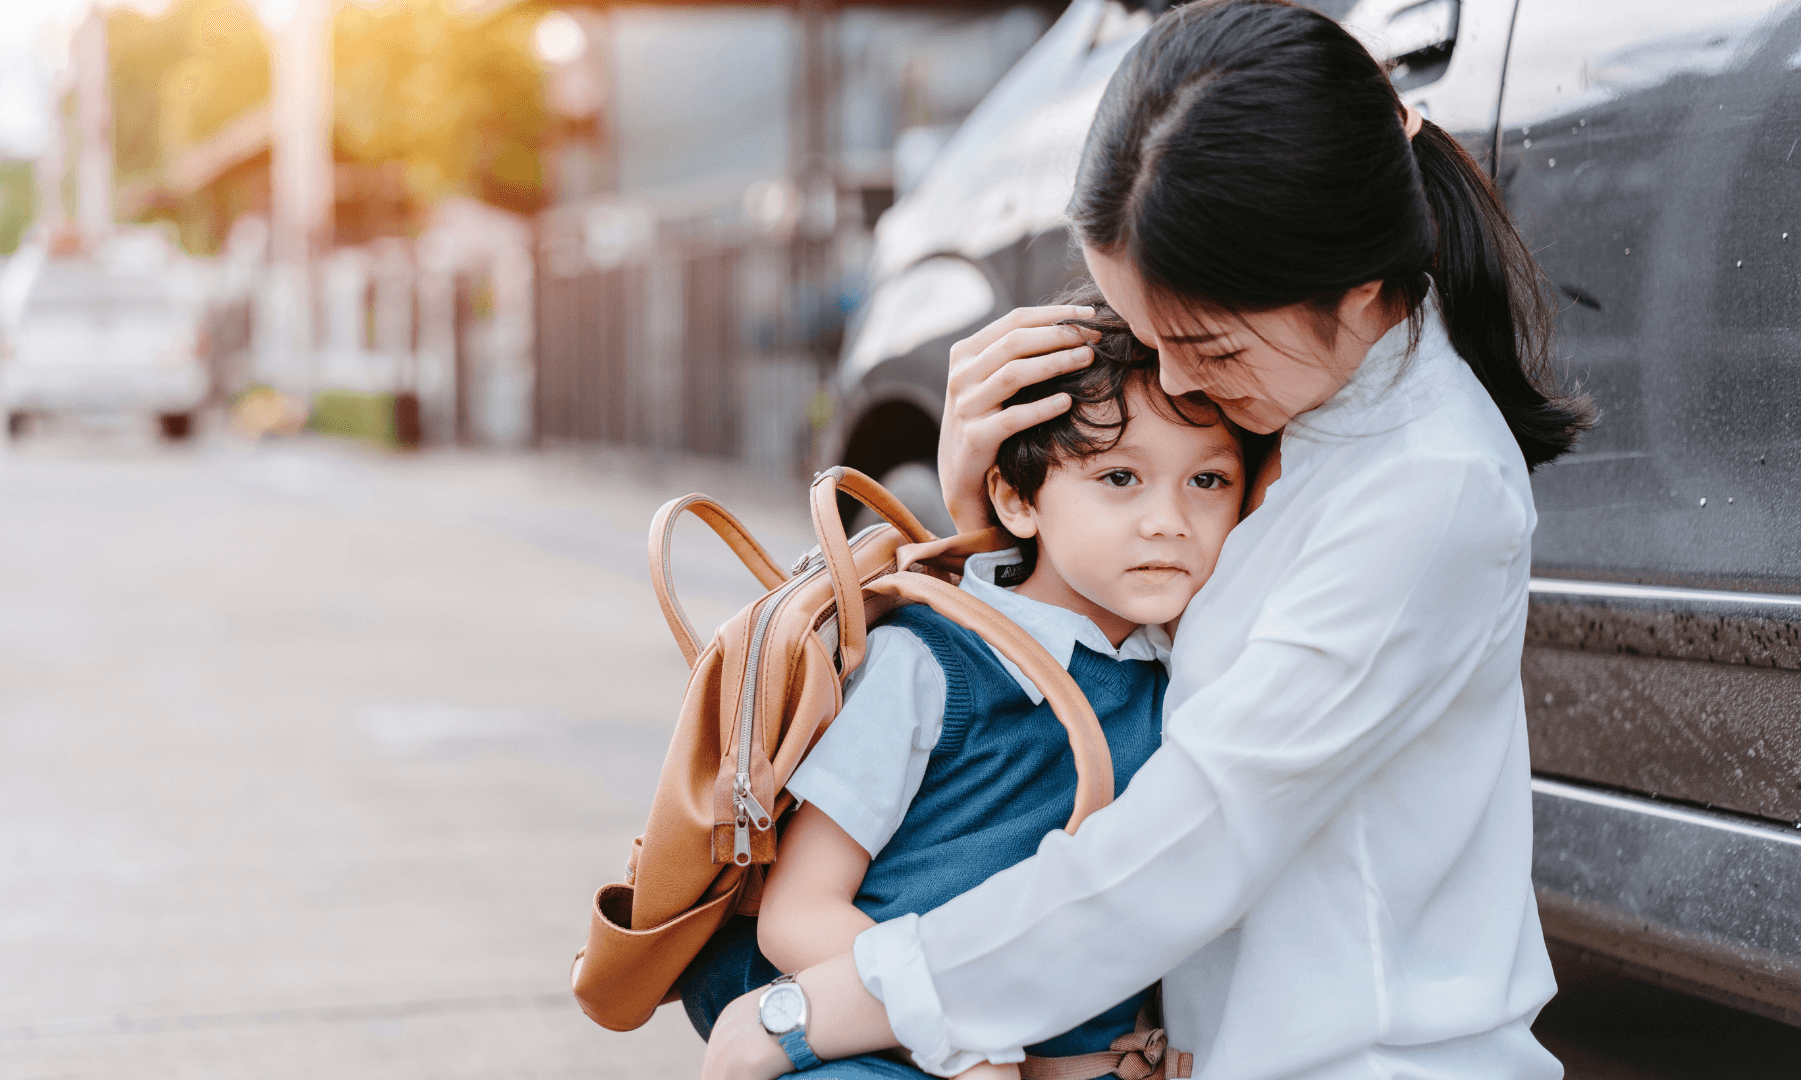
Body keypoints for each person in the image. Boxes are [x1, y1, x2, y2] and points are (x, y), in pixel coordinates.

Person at [701, 2, 1594, 1078]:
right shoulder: (1302, 413)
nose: (1171, 382)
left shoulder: (1427, 489)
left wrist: (824, 1010)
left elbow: (1193, 837)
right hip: (1211, 1046)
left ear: (1357, 287)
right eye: (1153, 339)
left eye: (1202, 345)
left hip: (1366, 1062)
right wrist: (991, 514)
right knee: (734, 974)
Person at [678, 307, 1243, 1080]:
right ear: (1016, 500)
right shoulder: (933, 662)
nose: (1168, 522)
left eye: (1208, 480)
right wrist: (958, 1042)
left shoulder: (1185, 676)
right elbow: (797, 914)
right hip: (882, 1042)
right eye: (1120, 477)